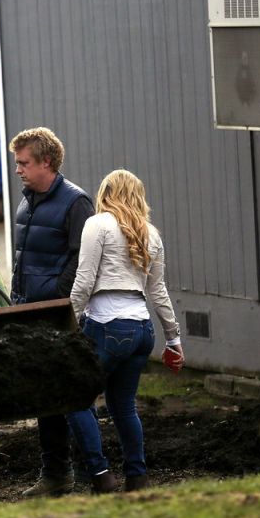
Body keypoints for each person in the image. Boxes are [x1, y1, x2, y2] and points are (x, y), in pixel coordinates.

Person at [66, 169, 184, 493]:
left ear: (105, 193)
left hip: (107, 326)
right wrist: (173, 339)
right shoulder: (152, 234)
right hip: (142, 330)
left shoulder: (98, 224)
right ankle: (137, 476)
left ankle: (101, 474)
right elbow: (158, 291)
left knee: (74, 398)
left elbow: (84, 281)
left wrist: (69, 325)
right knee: (124, 406)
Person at [8, 127, 94, 498]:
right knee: (45, 397)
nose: (18, 170)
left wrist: (59, 301)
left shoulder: (76, 203)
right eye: (17, 163)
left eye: (24, 163)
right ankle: (55, 475)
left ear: (47, 162)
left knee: (71, 398)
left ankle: (95, 474)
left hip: (57, 316)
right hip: (28, 312)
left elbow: (81, 261)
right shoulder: (27, 200)